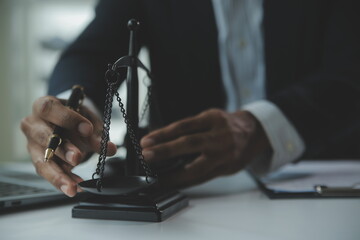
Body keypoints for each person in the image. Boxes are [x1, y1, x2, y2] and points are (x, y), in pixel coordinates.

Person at [21, 0, 360, 197]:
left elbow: (350, 69)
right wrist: (72, 111)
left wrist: (261, 126)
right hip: (191, 192)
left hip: (323, 180)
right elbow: (90, 53)